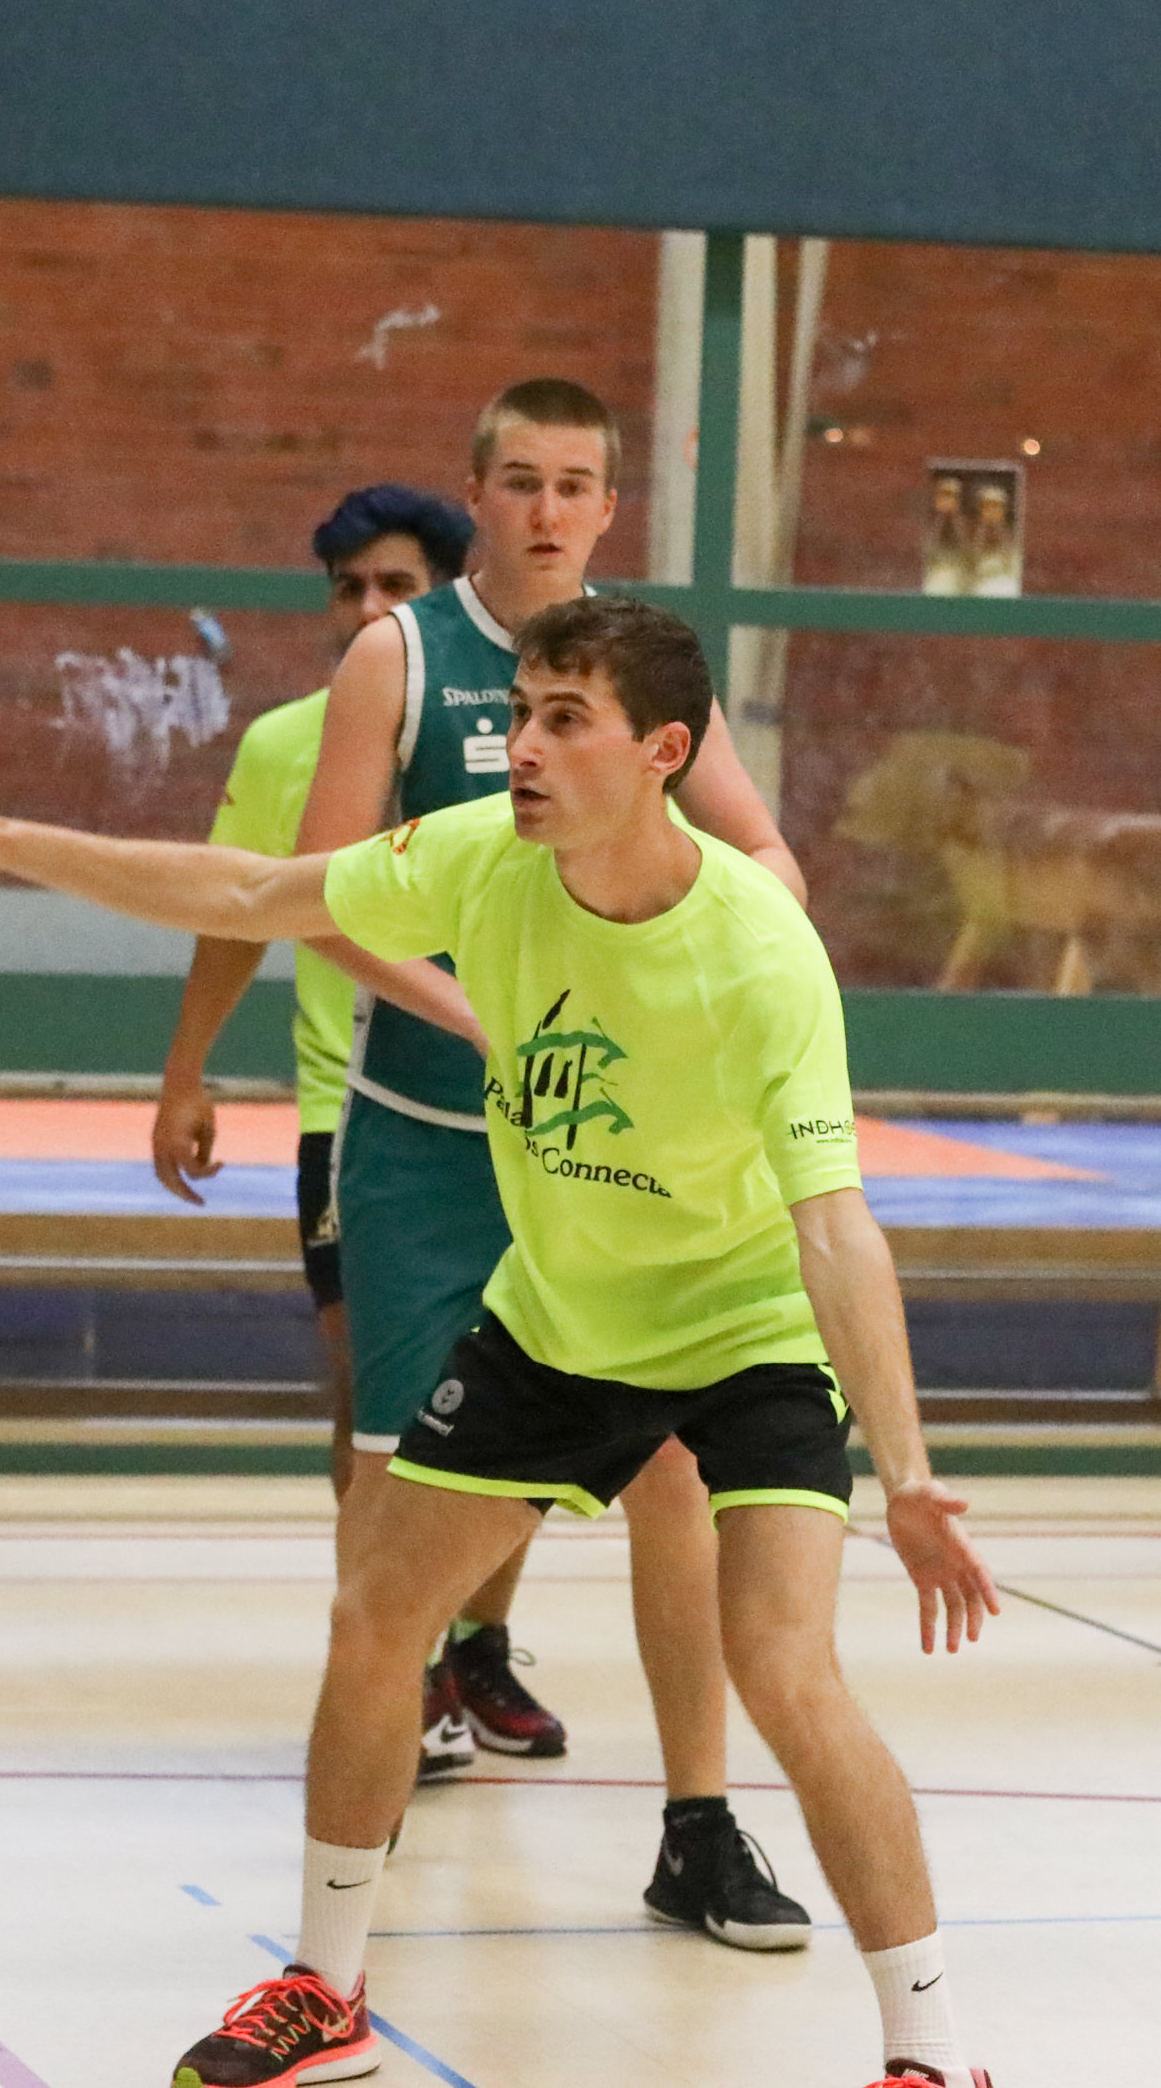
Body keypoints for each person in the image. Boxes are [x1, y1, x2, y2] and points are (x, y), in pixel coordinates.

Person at [0, 594, 999, 2088]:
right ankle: (325, 1993)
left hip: (744, 1331)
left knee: (784, 1669)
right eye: (518, 714)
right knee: (377, 1618)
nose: (522, 748)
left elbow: (835, 1225)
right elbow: (251, 888)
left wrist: (905, 1473)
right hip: (558, 1321)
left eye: (564, 721)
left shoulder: (759, 951)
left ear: (661, 753)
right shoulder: (475, 858)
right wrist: (6, 844)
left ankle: (933, 2055)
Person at [291, 378, 814, 1931]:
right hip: (429, 1142)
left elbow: (765, 852)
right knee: (392, 1485)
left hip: (607, 1155)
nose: (546, 509)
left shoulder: (637, 669)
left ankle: (699, 1822)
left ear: (607, 506)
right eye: (520, 479)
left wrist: (731, 967)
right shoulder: (401, 655)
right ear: (478, 492)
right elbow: (319, 888)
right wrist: (476, 1015)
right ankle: (354, 1863)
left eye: (574, 484)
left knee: (676, 1482)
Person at [154, 483, 474, 1498]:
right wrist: (184, 1071)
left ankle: (464, 1604)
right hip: (347, 1115)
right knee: (372, 1393)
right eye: (350, 588)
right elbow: (236, 911)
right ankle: (378, 1602)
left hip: (503, 1103)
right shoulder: (284, 744)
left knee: (491, 1410)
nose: (370, 607)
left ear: (444, 595)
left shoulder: (502, 732)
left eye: (397, 585)